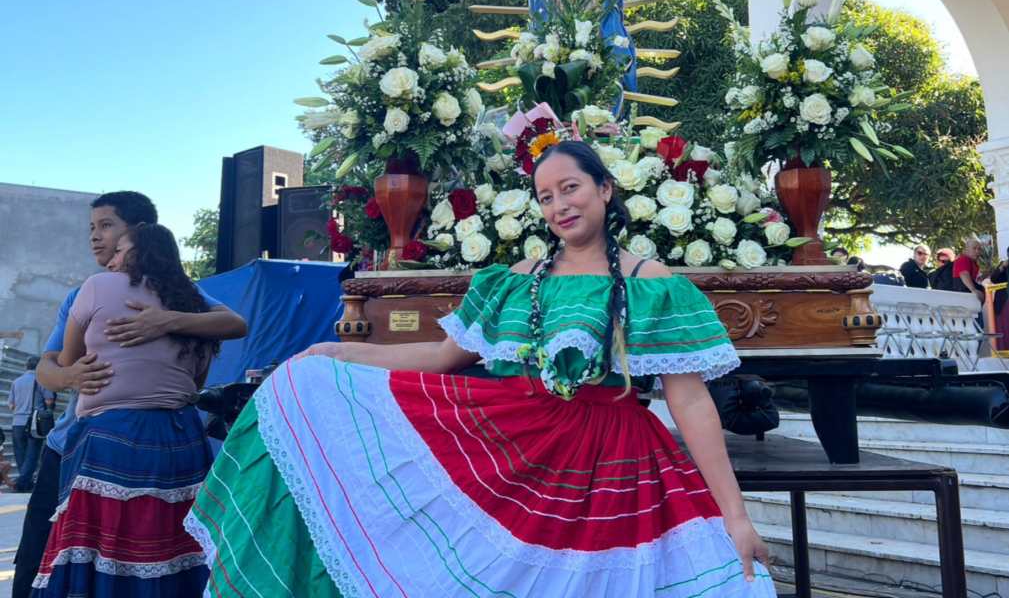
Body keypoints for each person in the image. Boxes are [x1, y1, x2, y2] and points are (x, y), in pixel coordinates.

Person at [185, 140, 775, 597]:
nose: (559, 206)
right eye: (545, 197)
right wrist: (339, 353)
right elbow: (444, 357)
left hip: (619, 457)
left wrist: (736, 515)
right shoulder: (518, 279)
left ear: (604, 188)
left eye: (570, 188)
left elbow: (690, 400)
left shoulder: (654, 285)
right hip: (519, 447)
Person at [13, 191, 246, 598]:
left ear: (140, 235)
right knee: (48, 557)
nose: (95, 237)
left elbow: (234, 322)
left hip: (104, 442)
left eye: (107, 227)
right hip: (74, 442)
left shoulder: (179, 293)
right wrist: (71, 377)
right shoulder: (85, 293)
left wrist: (165, 320)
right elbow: (47, 370)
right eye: (91, 228)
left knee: (98, 563)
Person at [7, 358, 54, 492]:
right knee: (32, 454)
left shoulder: (16, 382)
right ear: (38, 366)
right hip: (34, 422)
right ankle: (22, 483)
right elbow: (49, 400)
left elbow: (11, 405)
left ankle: (25, 483)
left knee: (20, 453)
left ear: (25, 366)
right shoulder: (41, 380)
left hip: (17, 422)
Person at [952, 237, 985, 304]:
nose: (977, 251)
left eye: (979, 249)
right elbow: (964, 274)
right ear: (966, 250)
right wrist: (974, 290)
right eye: (974, 248)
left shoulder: (972, 262)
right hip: (964, 300)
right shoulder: (964, 259)